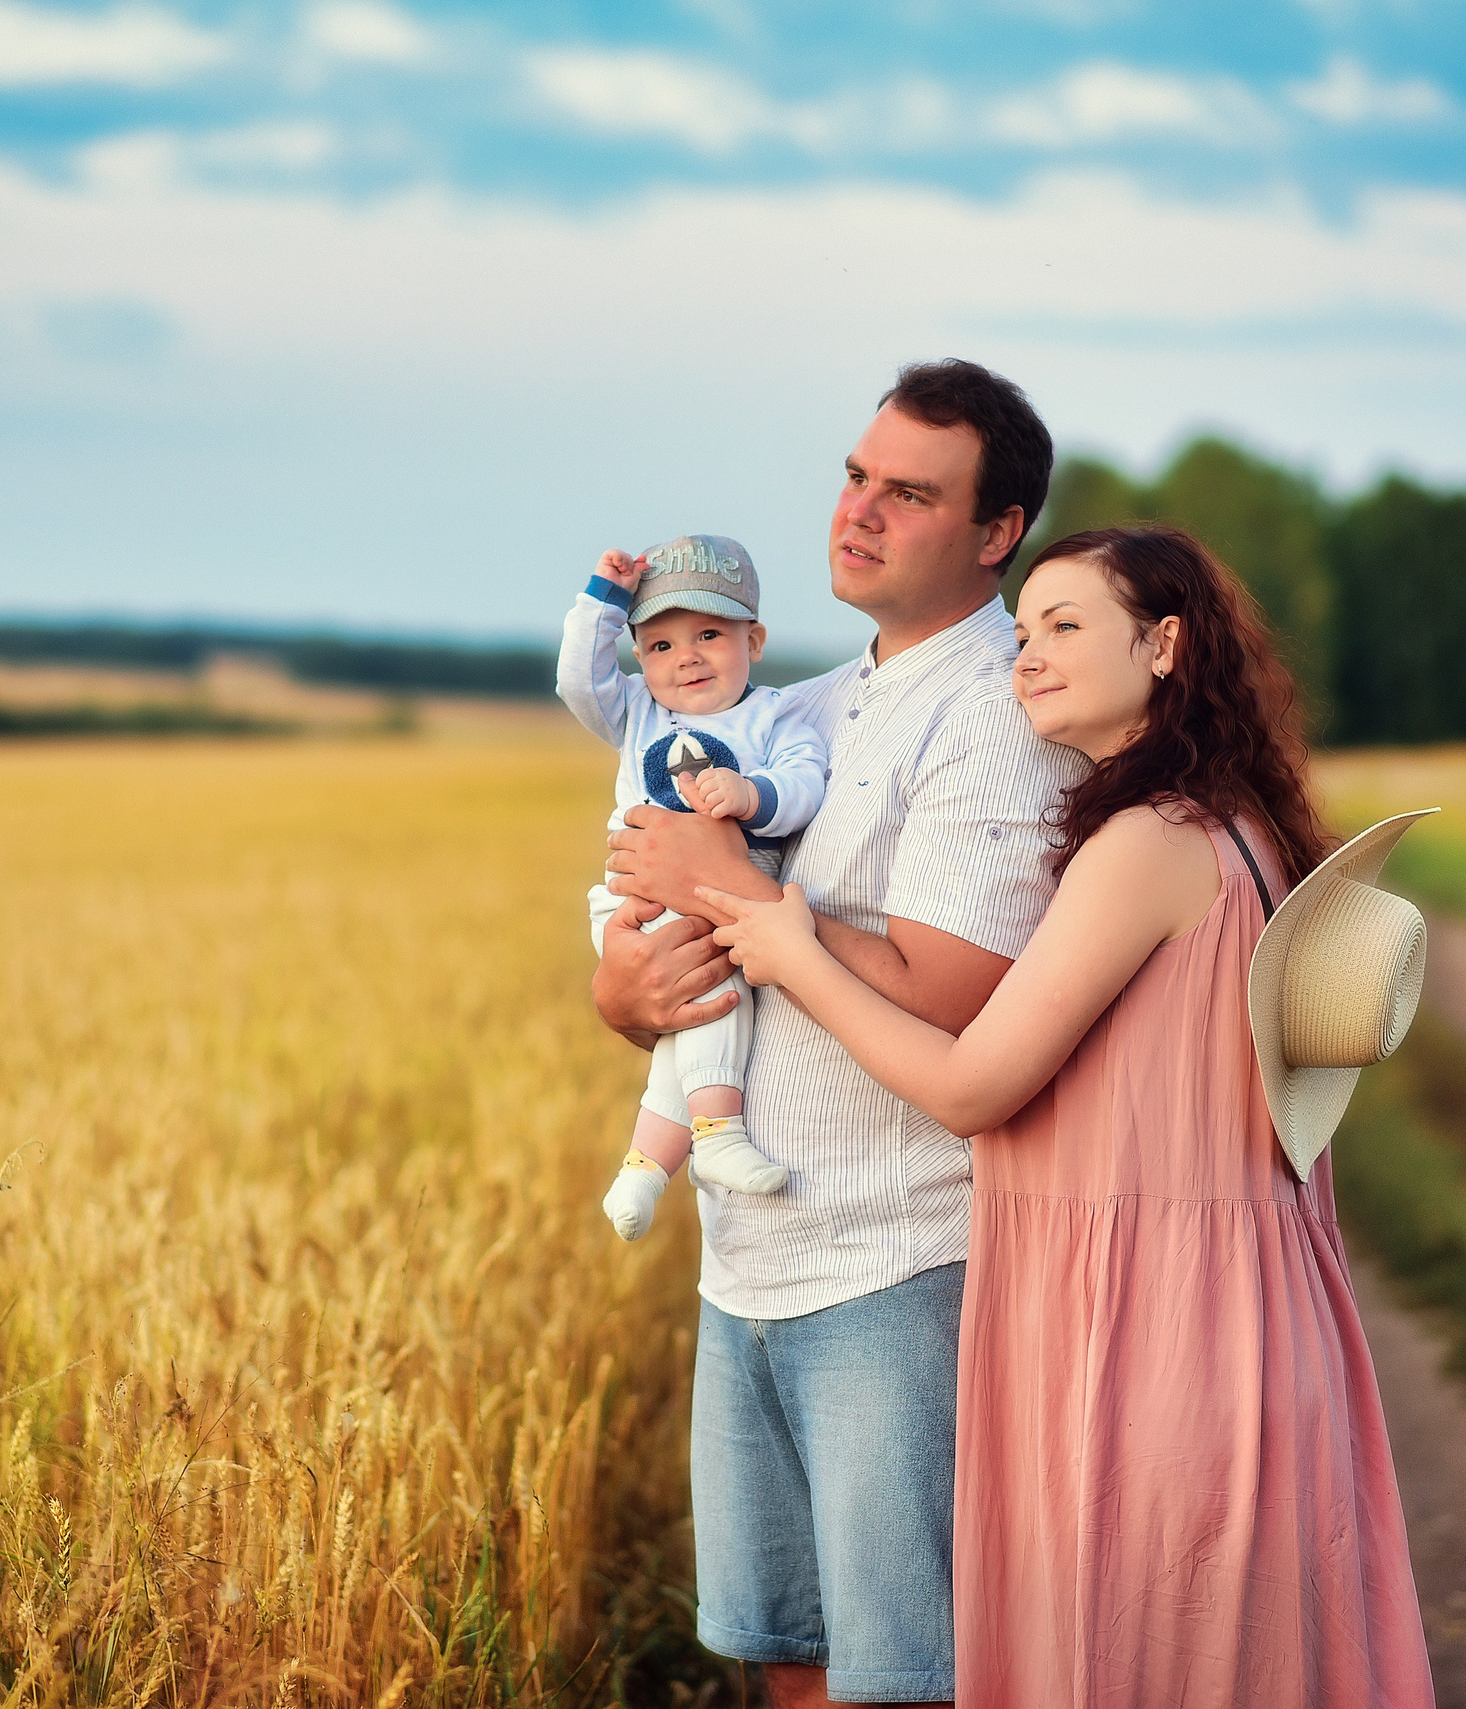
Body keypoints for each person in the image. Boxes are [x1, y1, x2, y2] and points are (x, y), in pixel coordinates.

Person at [698, 525, 1436, 1707]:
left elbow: (970, 1085)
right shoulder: (1232, 826)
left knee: (1134, 1662)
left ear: (1163, 644)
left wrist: (792, 949)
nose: (1025, 656)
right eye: (1024, 629)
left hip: (1149, 1336)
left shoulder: (1146, 844)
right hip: (1216, 1313)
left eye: (1064, 626)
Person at [599, 361, 1082, 1705]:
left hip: (902, 1261)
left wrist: (738, 890)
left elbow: (948, 987)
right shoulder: (805, 707)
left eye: (909, 492)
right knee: (790, 1657)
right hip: (748, 1258)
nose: (858, 511)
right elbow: (664, 921)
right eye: (856, 475)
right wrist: (623, 992)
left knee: (904, 1679)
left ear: (997, 535)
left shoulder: (1000, 712)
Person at [556, 534, 828, 1239]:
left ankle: (645, 1167)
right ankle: (716, 1135)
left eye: (709, 633)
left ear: (755, 638)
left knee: (696, 1011)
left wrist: (751, 792)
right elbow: (579, 682)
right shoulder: (640, 709)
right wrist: (603, 602)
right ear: (640, 656)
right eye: (662, 645)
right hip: (637, 896)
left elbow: (805, 781)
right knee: (715, 995)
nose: (689, 657)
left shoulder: (775, 714)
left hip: (726, 889)